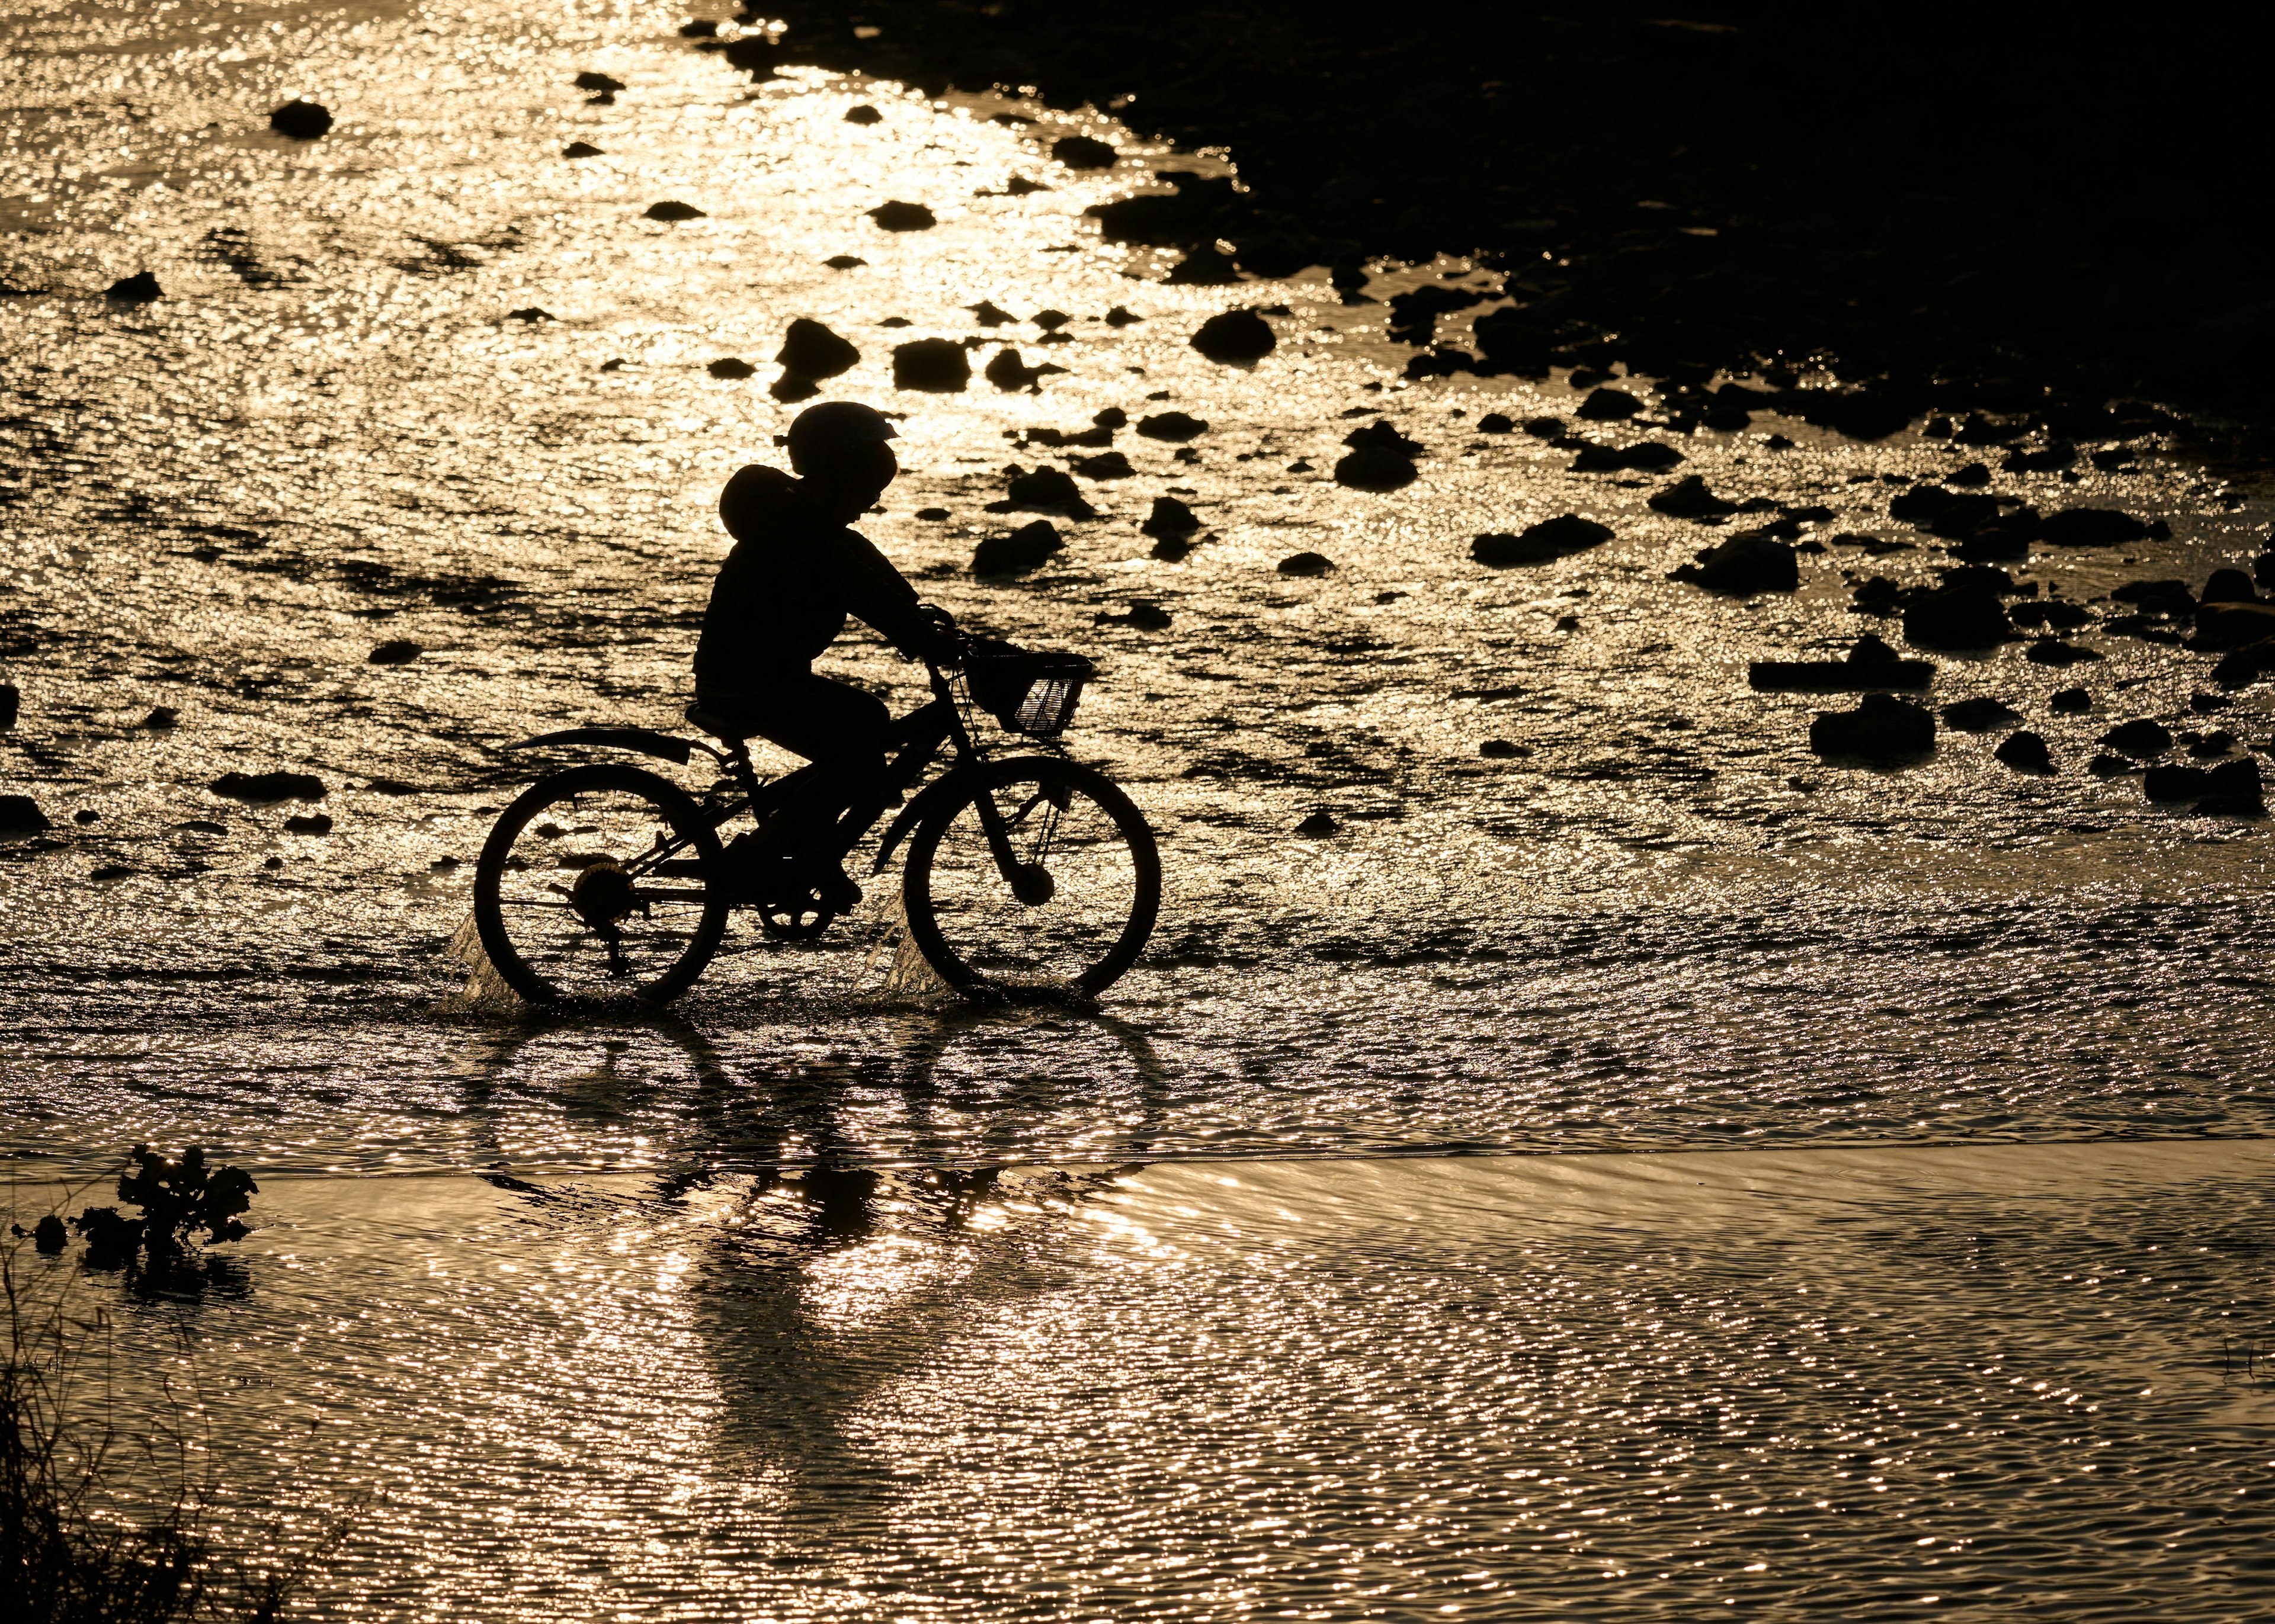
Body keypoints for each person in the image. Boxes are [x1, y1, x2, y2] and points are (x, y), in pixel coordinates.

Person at [693, 401, 953, 909]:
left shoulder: (819, 530)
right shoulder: (801, 534)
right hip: (749, 685)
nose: (869, 504)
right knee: (859, 762)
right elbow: (863, 592)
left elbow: (880, 584)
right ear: (840, 474)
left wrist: (925, 619)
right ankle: (768, 851)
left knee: (869, 721)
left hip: (766, 678)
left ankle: (809, 846)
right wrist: (922, 640)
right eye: (866, 490)